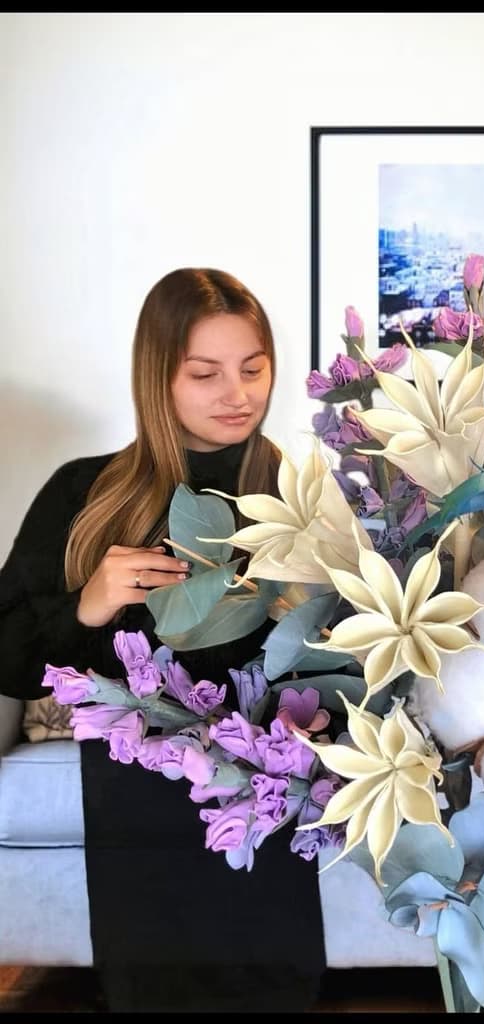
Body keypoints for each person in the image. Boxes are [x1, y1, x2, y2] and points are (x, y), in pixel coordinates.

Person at [0, 268, 326, 1012]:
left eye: (253, 369)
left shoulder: (299, 499)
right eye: (205, 374)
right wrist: (87, 608)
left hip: (271, 763)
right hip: (138, 768)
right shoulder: (86, 493)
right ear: (158, 378)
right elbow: (9, 661)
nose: (237, 394)